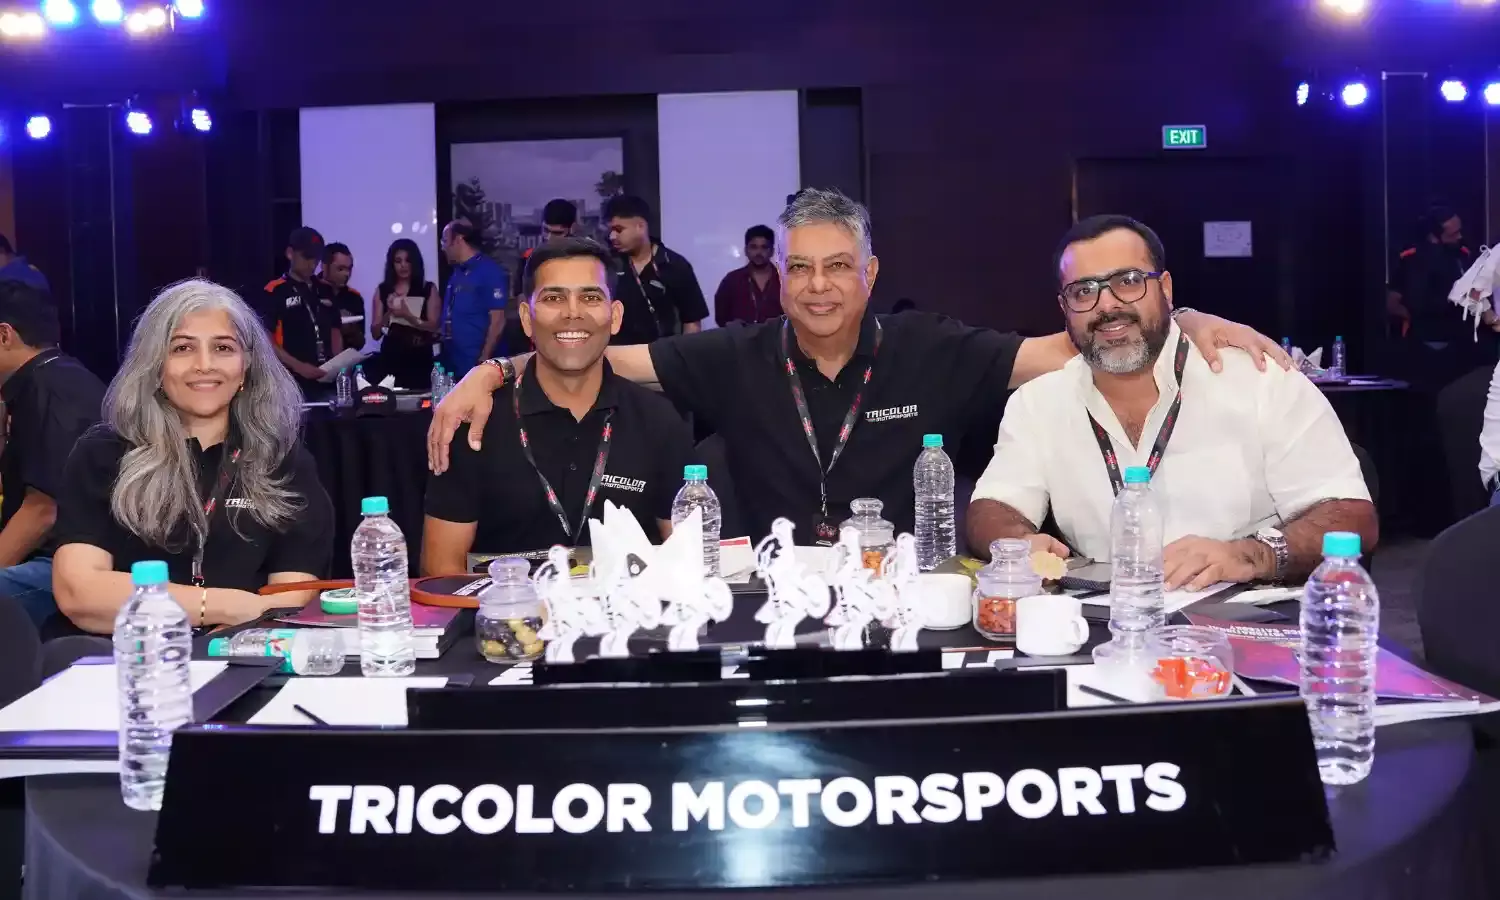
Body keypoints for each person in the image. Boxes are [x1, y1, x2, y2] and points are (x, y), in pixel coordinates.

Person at [429, 189, 1288, 545]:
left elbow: (1078, 342)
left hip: (910, 608)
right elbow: (585, 343)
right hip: (776, 614)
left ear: (869, 273)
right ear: (780, 279)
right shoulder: (734, 354)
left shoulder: (932, 348)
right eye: (801, 268)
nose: (818, 286)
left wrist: (1178, 314)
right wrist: (495, 373)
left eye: (838, 266)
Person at [967, 215, 1376, 589]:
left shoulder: (1260, 381)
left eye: (1128, 281)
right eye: (1083, 291)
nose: (1107, 305)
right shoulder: (1038, 402)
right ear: (1064, 308)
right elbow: (993, 506)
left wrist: (1251, 555)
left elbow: (1352, 516)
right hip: (1104, 623)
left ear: (1165, 289)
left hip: (1245, 617)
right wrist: (1018, 543)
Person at [52, 279, 334, 635]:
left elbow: (288, 601)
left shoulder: (283, 461)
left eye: (223, 348)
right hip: (123, 655)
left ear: (246, 365)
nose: (204, 365)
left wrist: (215, 647)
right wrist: (221, 606)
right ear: (155, 364)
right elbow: (79, 593)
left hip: (238, 652)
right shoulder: (104, 453)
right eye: (183, 348)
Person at [422, 238, 692, 573]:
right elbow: (440, 569)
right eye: (553, 298)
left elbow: (687, 561)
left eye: (590, 297)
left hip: (628, 606)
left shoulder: (658, 421)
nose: (572, 313)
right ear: (526, 317)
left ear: (615, 316)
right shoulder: (475, 423)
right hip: (502, 606)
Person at [0, 281, 105, 627]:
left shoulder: (51, 389)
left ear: (4, 335)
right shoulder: (50, 378)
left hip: (69, 562)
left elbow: (43, 512)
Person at [603, 195, 709, 344]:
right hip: (616, 354)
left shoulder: (675, 265)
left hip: (664, 355)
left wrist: (684, 356)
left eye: (619, 230)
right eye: (610, 230)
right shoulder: (606, 265)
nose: (612, 236)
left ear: (640, 227)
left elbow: (692, 322)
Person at [261, 227, 343, 389]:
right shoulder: (275, 291)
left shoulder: (325, 289)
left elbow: (335, 330)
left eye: (316, 258)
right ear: (290, 253)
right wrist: (298, 366)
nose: (312, 264)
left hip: (327, 377)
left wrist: (339, 363)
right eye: (307, 257)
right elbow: (266, 339)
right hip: (291, 380)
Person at [440, 219, 508, 377]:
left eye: (445, 241)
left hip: (478, 365)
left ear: (458, 239)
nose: (443, 247)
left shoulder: (489, 271)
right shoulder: (456, 273)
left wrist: (484, 358)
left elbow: (498, 320)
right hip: (455, 363)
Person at [371, 239, 441, 389]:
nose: (403, 265)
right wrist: (390, 313)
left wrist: (407, 315)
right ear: (392, 264)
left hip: (419, 358)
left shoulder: (428, 288)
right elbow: (375, 333)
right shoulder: (383, 290)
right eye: (398, 261)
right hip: (391, 358)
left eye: (408, 260)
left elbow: (434, 327)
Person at [714, 225, 780, 326]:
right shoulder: (732, 280)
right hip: (739, 336)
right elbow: (721, 318)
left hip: (777, 336)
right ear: (746, 250)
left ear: (772, 251)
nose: (759, 252)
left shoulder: (786, 281)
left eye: (764, 247)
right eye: (754, 247)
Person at [321, 242, 366, 351]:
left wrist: (352, 330)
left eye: (349, 269)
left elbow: (360, 344)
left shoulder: (355, 298)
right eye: (340, 269)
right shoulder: (309, 291)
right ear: (324, 266)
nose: (346, 274)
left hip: (345, 359)